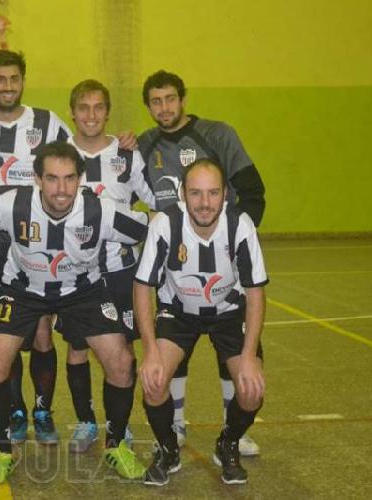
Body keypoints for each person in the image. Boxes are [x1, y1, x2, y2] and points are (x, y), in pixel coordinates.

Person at [0, 141, 150, 485]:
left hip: (83, 291)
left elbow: (150, 231)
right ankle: (2, 451)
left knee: (121, 362)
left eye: (69, 178)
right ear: (36, 178)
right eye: (52, 178)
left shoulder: (101, 211)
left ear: (81, 178)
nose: (61, 189)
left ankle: (116, 443)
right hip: (21, 290)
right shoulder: (12, 204)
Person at [137, 70, 266, 454]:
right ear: (149, 106)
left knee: (234, 344)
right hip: (172, 265)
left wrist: (231, 241)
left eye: (170, 99)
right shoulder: (145, 143)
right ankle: (174, 424)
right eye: (156, 101)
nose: (164, 107)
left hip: (222, 261)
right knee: (176, 340)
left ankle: (234, 431)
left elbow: (253, 191)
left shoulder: (217, 134)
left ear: (183, 99)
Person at [0, 49, 74, 445]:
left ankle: (42, 410)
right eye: (0, 79)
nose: (7, 86)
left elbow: (80, 160)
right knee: (0, 333)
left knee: (42, 331)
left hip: (34, 241)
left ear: (23, 81)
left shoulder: (47, 123)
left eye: (14, 79)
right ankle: (14, 408)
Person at [134, 158, 269, 486]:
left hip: (228, 314)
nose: (205, 203)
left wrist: (249, 357)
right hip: (178, 314)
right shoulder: (165, 224)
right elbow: (142, 288)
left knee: (251, 390)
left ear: (225, 194)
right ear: (182, 193)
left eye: (213, 193)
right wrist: (150, 350)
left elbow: (255, 295)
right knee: (153, 380)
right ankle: (168, 449)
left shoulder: (241, 225)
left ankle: (228, 443)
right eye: (196, 193)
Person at [62, 79, 156, 453]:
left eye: (98, 107)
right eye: (83, 107)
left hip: (120, 271)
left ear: (108, 111)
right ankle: (85, 423)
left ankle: (119, 424)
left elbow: (154, 203)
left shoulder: (127, 155)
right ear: (72, 112)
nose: (90, 114)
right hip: (74, 271)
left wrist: (136, 229)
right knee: (77, 347)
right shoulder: (59, 154)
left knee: (123, 351)